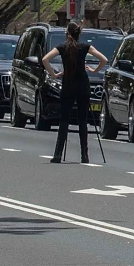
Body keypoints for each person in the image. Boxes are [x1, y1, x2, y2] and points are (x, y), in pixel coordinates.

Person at [41, 22, 107, 164]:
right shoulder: (85, 47)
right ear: (79, 34)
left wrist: (53, 74)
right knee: (82, 120)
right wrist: (95, 70)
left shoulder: (62, 47)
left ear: (67, 33)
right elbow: (104, 59)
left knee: (64, 120)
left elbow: (45, 59)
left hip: (68, 85)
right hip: (83, 85)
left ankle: (58, 154)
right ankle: (84, 155)